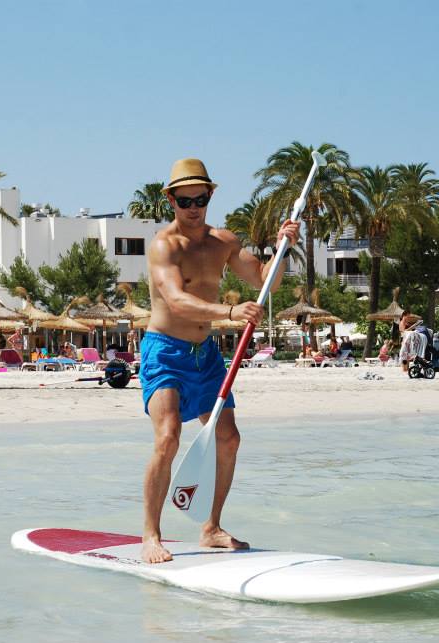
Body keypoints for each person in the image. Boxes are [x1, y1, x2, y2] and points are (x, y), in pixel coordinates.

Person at [139, 158, 299, 564]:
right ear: (171, 201)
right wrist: (228, 314)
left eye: (201, 198)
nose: (193, 206)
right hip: (165, 353)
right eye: (184, 199)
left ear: (210, 196)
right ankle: (150, 534)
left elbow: (266, 280)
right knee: (169, 435)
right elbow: (175, 299)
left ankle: (210, 527)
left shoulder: (222, 242)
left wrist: (284, 248)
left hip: (206, 357)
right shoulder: (164, 246)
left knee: (229, 438)